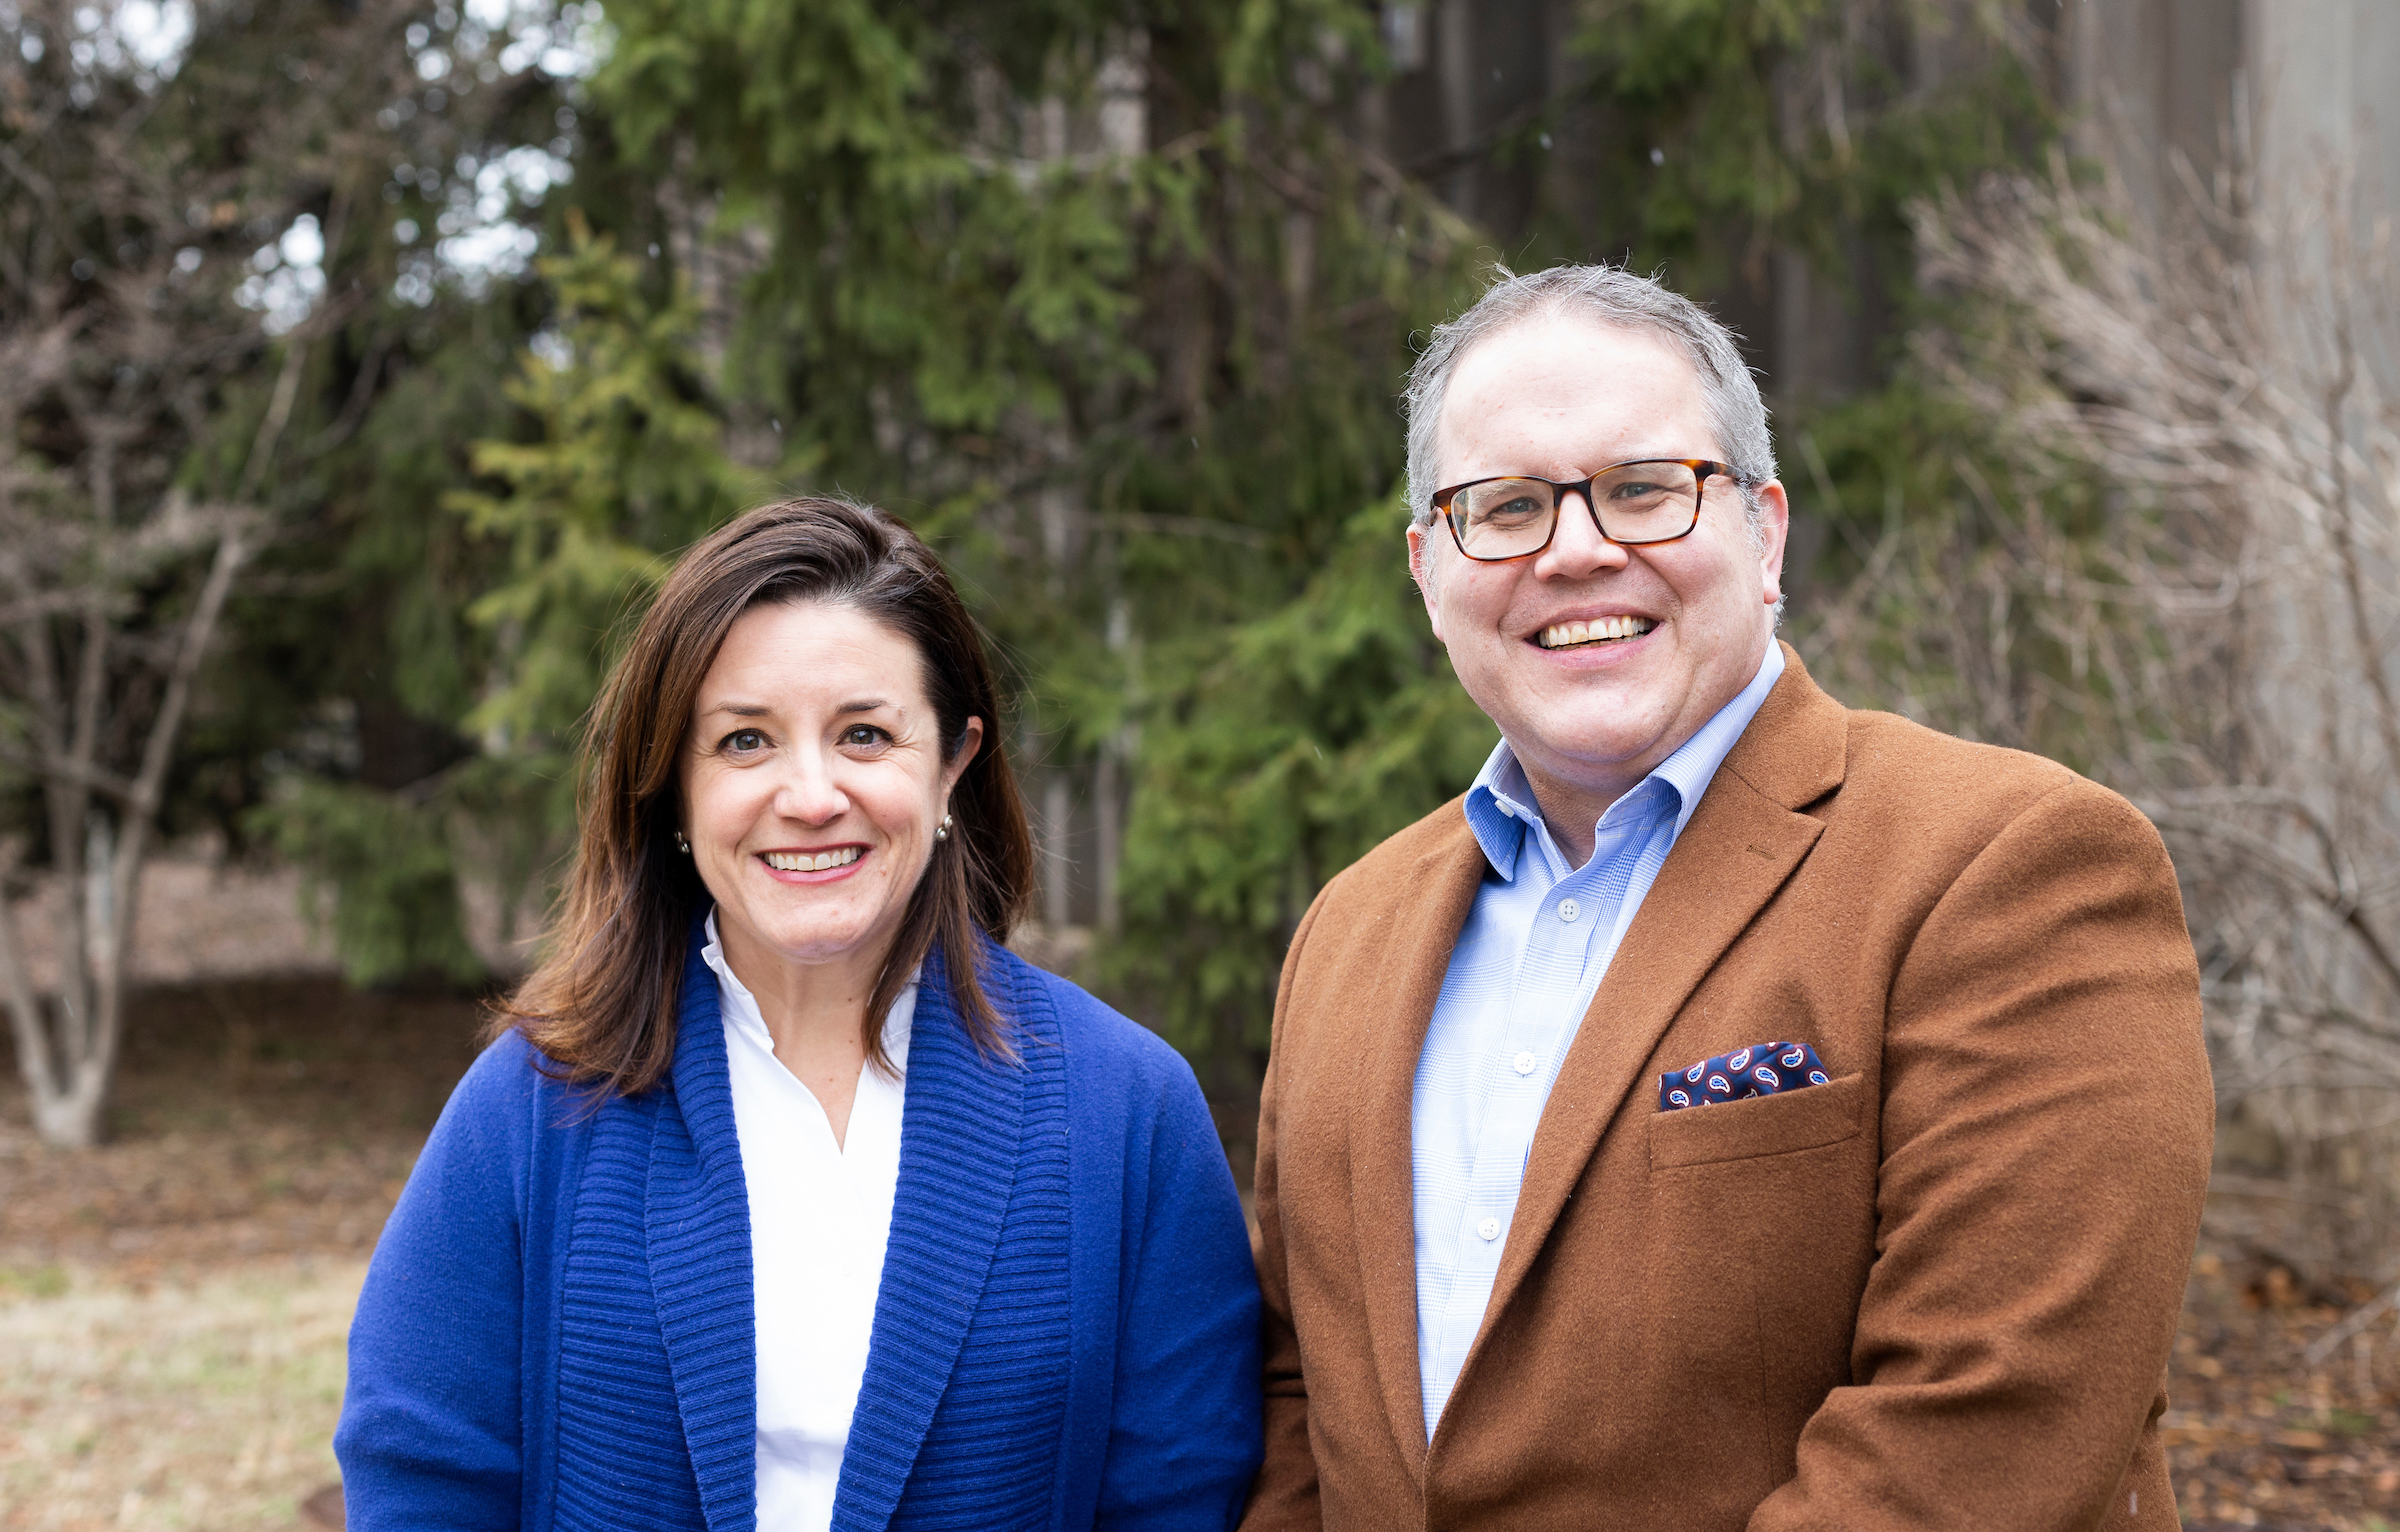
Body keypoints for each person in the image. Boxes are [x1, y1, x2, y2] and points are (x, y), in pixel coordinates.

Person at [1241, 265, 2213, 1531]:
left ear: (1763, 534)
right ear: (1431, 571)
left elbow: (1985, 1431)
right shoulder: (1350, 929)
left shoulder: (2010, 865)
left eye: (1644, 488)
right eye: (1508, 505)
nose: (1578, 549)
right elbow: (1298, 1399)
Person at [337, 498, 1262, 1532]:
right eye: (745, 741)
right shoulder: (534, 1105)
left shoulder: (1126, 1111)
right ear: (673, 787)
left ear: (952, 763)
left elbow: (1184, 1492)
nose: (811, 794)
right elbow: (421, 1474)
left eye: (865, 733)